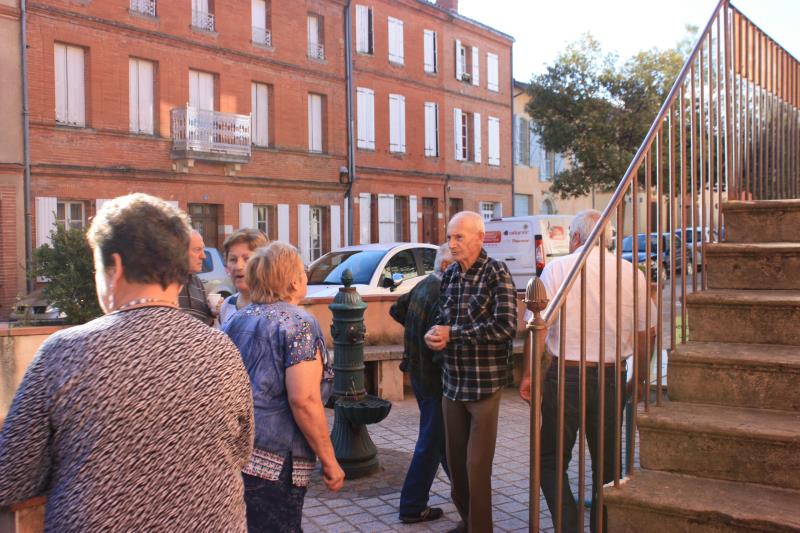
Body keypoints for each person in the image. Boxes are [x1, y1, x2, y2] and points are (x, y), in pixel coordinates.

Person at [0, 193, 254, 531]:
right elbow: (241, 449)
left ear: (114, 268)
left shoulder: (65, 353)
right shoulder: (221, 350)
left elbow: (11, 476)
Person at [519, 209, 655, 533]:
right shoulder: (630, 274)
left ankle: (568, 526)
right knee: (608, 468)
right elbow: (646, 333)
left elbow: (537, 327)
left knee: (550, 460)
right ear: (606, 238)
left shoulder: (558, 269)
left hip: (565, 376)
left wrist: (529, 376)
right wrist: (640, 378)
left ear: (576, 237)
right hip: (611, 376)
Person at [223, 242, 344, 533]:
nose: (306, 276)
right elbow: (304, 400)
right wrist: (330, 461)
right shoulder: (299, 322)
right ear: (293, 281)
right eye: (303, 271)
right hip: (276, 460)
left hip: (235, 452)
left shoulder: (236, 319)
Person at [425, 211, 517, 533]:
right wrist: (434, 335)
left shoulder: (496, 272)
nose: (451, 244)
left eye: (458, 237)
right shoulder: (449, 276)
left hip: (484, 386)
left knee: (476, 468)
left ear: (479, 237)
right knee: (456, 468)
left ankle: (481, 529)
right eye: (449, 237)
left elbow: (506, 327)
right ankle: (468, 522)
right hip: (452, 384)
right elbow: (443, 321)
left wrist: (455, 334)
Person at [392, 243, 453, 525]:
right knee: (431, 441)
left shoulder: (425, 284)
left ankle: (464, 489)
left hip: (416, 372)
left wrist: (415, 333)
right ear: (446, 266)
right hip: (432, 377)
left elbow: (396, 310)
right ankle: (412, 505)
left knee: (439, 437)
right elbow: (441, 349)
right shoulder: (442, 294)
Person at [218, 228, 269, 326]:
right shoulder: (227, 305)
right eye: (233, 259)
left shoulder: (275, 307)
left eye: (247, 259)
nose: (238, 266)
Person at [178, 229, 214, 325]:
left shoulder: (197, 282)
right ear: (180, 251)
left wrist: (212, 312)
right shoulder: (166, 282)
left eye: (203, 250)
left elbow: (203, 324)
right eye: (197, 250)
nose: (203, 256)